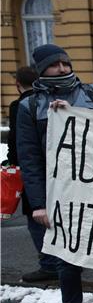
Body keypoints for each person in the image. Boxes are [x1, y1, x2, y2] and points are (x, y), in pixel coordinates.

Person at [16, 44, 93, 303]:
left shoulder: (92, 94)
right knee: (67, 261)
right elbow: (30, 159)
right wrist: (38, 204)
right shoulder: (29, 106)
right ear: (41, 70)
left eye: (66, 63)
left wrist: (77, 115)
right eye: (55, 65)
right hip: (61, 194)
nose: (63, 69)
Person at [7, 65, 61, 284]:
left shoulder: (20, 105)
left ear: (18, 85)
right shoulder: (49, 101)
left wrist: (12, 161)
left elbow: (17, 142)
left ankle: (49, 264)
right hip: (55, 168)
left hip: (33, 170)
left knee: (36, 218)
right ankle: (65, 260)